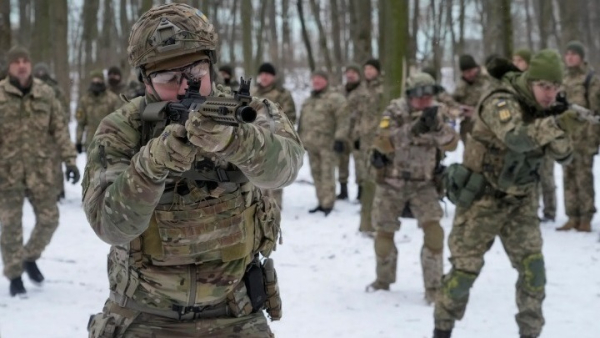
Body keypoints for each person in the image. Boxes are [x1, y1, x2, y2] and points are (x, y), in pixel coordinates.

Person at [83, 4, 303, 337]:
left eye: (196, 73)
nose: (188, 87)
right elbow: (109, 225)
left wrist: (235, 141)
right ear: (146, 81)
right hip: (144, 315)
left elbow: (285, 168)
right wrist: (152, 165)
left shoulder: (247, 111)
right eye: (171, 79)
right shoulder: (121, 129)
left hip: (235, 312)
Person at [433, 50, 580, 338]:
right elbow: (516, 137)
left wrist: (558, 120)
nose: (550, 94)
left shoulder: (546, 109)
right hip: (482, 200)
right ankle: (441, 330)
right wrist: (555, 124)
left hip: (520, 202)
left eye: (555, 88)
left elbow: (565, 156)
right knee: (463, 274)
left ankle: (530, 333)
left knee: (533, 271)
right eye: (544, 87)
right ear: (530, 81)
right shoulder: (500, 100)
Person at [367, 73, 458, 306]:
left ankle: (434, 287)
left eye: (429, 96)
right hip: (391, 183)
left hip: (424, 184)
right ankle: (383, 281)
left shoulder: (438, 111)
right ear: (410, 96)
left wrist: (436, 127)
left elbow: (452, 142)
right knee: (384, 236)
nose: (425, 101)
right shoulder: (395, 111)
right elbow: (382, 142)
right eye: (420, 97)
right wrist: (414, 129)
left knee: (435, 234)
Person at [0, 46, 79, 297]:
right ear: (9, 66)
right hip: (7, 172)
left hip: (41, 171)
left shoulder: (45, 94)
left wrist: (70, 161)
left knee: (49, 219)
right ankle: (14, 276)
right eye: (16, 62)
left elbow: (59, 129)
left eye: (25, 61)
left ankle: (29, 257)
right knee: (11, 226)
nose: (22, 65)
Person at [556, 41, 600, 232]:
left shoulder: (591, 78)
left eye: (574, 54)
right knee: (568, 177)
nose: (570, 57)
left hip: (585, 137)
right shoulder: (564, 79)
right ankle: (572, 215)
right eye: (567, 54)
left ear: (581, 57)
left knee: (584, 178)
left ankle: (586, 217)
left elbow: (595, 112)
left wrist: (593, 139)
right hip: (567, 137)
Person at [512, 49, 557, 222]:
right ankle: (533, 209)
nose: (516, 64)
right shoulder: (516, 85)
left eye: (520, 61)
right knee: (531, 175)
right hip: (527, 136)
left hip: (544, 134)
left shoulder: (540, 83)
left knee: (547, 175)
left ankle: (550, 210)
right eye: (514, 60)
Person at [298, 70, 348, 215]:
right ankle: (320, 201)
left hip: (328, 145)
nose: (316, 81)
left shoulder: (335, 98)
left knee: (327, 174)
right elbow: (302, 122)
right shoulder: (309, 101)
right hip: (311, 144)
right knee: (316, 174)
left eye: (320, 78)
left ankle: (328, 203)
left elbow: (343, 120)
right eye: (314, 79)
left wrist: (340, 138)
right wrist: (300, 140)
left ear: (326, 80)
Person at [251, 62, 297, 209]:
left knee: (275, 173)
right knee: (255, 173)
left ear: (273, 77)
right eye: (262, 74)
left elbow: (290, 117)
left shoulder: (282, 94)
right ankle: (258, 206)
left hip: (275, 141)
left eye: (267, 74)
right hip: (254, 140)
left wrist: (280, 134)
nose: (264, 77)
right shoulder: (253, 92)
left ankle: (275, 207)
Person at [33, 62, 71, 201]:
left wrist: (62, 124)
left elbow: (64, 109)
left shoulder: (55, 89)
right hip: (37, 132)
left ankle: (59, 190)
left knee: (55, 162)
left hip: (54, 130)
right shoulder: (31, 88)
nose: (41, 75)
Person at [357, 58, 385, 234]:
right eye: (365, 68)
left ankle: (377, 218)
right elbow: (357, 113)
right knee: (365, 176)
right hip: (364, 139)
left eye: (371, 69)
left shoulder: (383, 88)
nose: (367, 71)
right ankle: (367, 218)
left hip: (379, 138)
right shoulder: (362, 89)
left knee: (377, 176)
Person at [342, 63, 370, 201]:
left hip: (357, 134)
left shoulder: (364, 92)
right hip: (342, 133)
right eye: (348, 72)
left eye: (353, 72)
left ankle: (361, 191)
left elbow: (364, 114)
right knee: (342, 162)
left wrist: (360, 134)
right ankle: (343, 190)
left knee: (360, 164)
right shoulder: (341, 91)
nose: (350, 75)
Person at [75, 70, 120, 154]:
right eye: (94, 80)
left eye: (98, 80)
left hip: (109, 142)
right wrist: (78, 141)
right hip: (91, 142)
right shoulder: (85, 100)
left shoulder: (112, 99)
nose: (96, 82)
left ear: (102, 81)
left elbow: (119, 121)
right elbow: (80, 123)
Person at [453, 54, 492, 144]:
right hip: (468, 132)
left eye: (470, 71)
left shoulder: (488, 81)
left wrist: (475, 112)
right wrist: (460, 109)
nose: (468, 75)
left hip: (487, 130)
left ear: (476, 68)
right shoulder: (461, 86)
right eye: (465, 72)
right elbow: (452, 103)